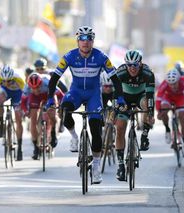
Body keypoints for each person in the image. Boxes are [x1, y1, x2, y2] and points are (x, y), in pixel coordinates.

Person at [45, 26, 125, 184]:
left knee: (95, 129)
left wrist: (120, 97)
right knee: (65, 109)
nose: (85, 42)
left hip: (94, 94)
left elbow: (115, 79)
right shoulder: (69, 56)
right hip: (76, 92)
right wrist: (49, 98)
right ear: (78, 41)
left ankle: (96, 167)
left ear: (92, 41)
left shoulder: (101, 56)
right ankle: (74, 137)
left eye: (89, 39)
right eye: (82, 38)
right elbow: (54, 78)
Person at [114, 49, 155, 181]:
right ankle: (120, 165)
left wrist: (150, 113)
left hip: (140, 96)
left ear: (140, 64)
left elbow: (150, 97)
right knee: (120, 128)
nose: (132, 68)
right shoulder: (120, 73)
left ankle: (144, 136)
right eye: (129, 65)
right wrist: (117, 108)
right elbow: (116, 95)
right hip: (124, 97)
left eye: (135, 65)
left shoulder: (148, 73)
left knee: (146, 106)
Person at [21, 72, 64, 160]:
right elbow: (23, 102)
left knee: (52, 113)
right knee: (33, 121)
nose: (36, 90)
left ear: (41, 83)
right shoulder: (27, 88)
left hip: (48, 95)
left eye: (37, 87)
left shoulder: (47, 82)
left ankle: (53, 133)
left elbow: (61, 96)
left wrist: (60, 107)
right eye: (33, 88)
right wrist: (25, 111)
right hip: (35, 98)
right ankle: (36, 148)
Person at [0, 65, 25, 161]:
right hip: (6, 92)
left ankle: (20, 149)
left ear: (12, 78)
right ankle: (1, 123)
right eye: (4, 81)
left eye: (9, 81)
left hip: (17, 94)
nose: (6, 83)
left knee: (18, 119)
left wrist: (24, 108)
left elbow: (26, 95)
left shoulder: (19, 79)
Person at [156, 69, 184, 157]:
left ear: (179, 80)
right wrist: (159, 111)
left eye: (175, 83)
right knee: (164, 108)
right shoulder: (164, 84)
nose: (173, 86)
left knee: (182, 117)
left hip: (180, 98)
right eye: (170, 84)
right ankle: (167, 129)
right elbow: (158, 99)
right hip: (168, 97)